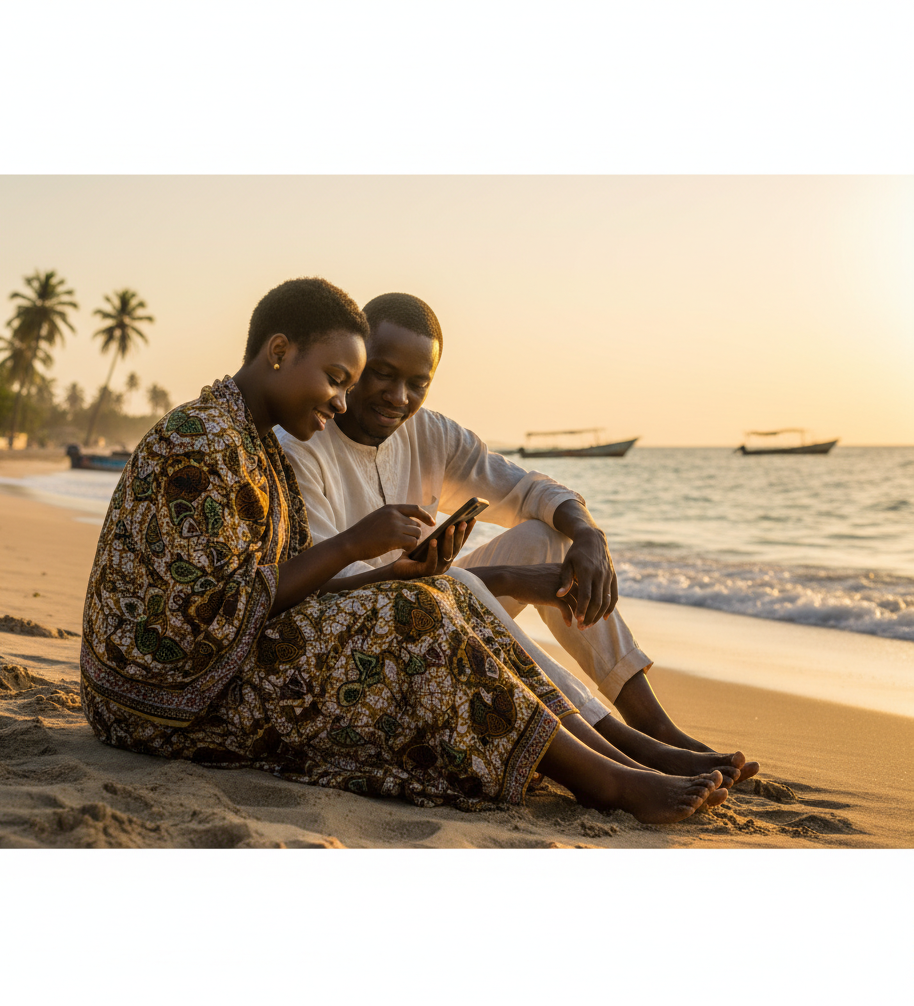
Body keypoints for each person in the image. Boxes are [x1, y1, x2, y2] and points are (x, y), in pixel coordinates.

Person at [80, 277, 727, 822]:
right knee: (422, 609)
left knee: (443, 592)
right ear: (280, 352)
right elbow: (228, 607)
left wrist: (583, 534)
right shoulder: (214, 441)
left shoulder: (247, 436)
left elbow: (255, 593)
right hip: (160, 701)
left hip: (220, 659)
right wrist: (362, 549)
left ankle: (623, 746)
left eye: (408, 381)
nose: (344, 399)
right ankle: (608, 779)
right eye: (347, 379)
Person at [276, 291, 759, 786]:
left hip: (440, 614)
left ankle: (653, 725)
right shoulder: (305, 442)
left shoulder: (430, 433)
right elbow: (334, 589)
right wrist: (507, 578)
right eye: (383, 373)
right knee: (463, 591)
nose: (399, 397)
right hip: (372, 640)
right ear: (356, 359)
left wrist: (589, 534)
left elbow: (528, 489)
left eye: (418, 383)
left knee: (550, 534)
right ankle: (619, 745)